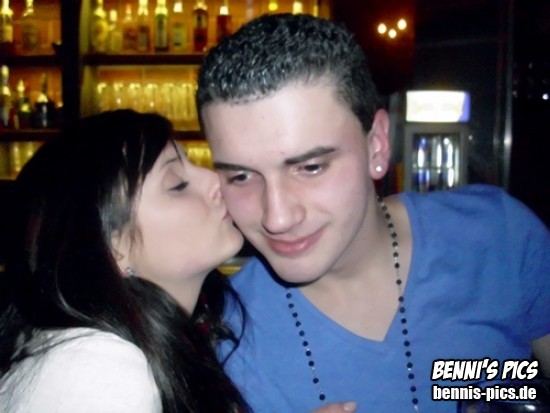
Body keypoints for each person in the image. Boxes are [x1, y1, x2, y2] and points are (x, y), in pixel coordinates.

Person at [196, 13, 550, 413]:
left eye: (311, 167)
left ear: (377, 145)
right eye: (241, 176)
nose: (276, 218)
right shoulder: (226, 336)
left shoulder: (499, 237)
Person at [0, 110, 249, 413]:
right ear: (114, 249)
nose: (215, 180)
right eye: (177, 185)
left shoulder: (159, 341)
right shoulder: (98, 371)